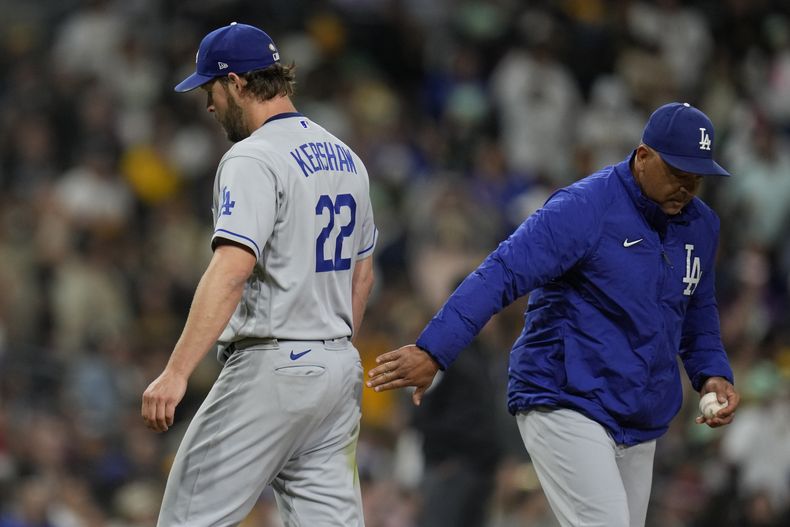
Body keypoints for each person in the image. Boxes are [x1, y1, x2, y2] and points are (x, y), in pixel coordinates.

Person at [367, 102, 741, 527]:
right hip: (564, 396)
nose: (686, 188)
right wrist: (434, 350)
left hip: (639, 414)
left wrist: (712, 373)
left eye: (697, 178)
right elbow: (502, 272)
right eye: (677, 173)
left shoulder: (701, 226)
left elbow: (699, 311)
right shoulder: (585, 208)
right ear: (642, 156)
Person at [141, 22, 377, 527]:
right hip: (338, 368)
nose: (208, 103)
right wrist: (330, 349)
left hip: (275, 363)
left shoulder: (252, 155)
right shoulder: (347, 158)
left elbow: (231, 269)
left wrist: (177, 372)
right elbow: (363, 275)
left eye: (211, 87)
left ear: (239, 83)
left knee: (187, 518)